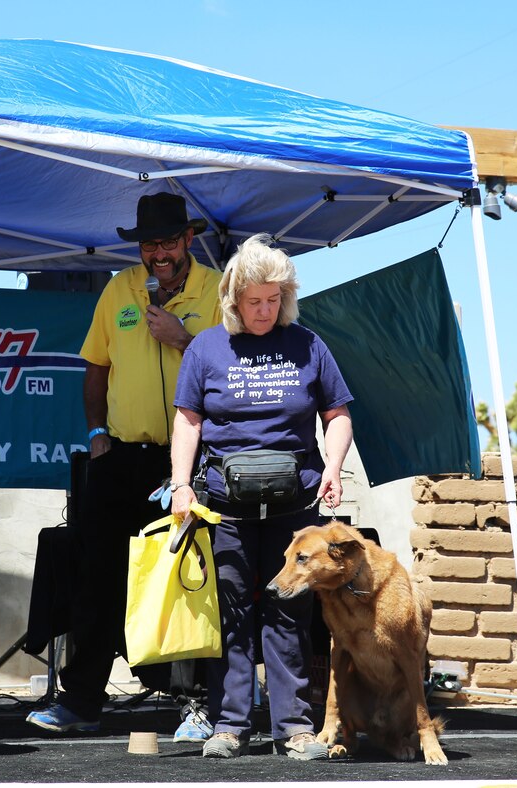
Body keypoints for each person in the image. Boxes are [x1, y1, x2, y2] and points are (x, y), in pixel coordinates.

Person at [25, 192, 222, 742]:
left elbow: (233, 374)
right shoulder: (118, 289)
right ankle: (82, 699)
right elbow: (96, 369)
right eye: (149, 244)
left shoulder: (217, 290)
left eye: (168, 242)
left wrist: (182, 339)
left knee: (185, 582)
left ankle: (195, 704)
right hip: (120, 458)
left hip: (185, 460)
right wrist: (97, 437)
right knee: (98, 578)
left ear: (188, 239)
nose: (158, 254)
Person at [169, 233, 354, 761]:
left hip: (295, 509)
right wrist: (182, 484)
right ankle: (229, 725)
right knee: (230, 612)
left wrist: (334, 468)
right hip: (224, 507)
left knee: (290, 613)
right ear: (233, 297)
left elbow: (337, 415)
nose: (265, 310)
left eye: (274, 300)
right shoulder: (206, 347)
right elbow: (187, 421)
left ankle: (293, 727)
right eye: (255, 301)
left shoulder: (308, 344)